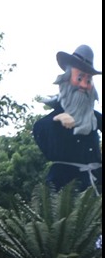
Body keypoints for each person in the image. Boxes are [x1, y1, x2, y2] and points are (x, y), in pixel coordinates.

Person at [32, 45, 102, 193]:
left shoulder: (94, 118)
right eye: (79, 78)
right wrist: (56, 120)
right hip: (64, 190)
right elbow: (39, 129)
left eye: (88, 80)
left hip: (96, 184)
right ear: (67, 79)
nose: (84, 84)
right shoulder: (51, 121)